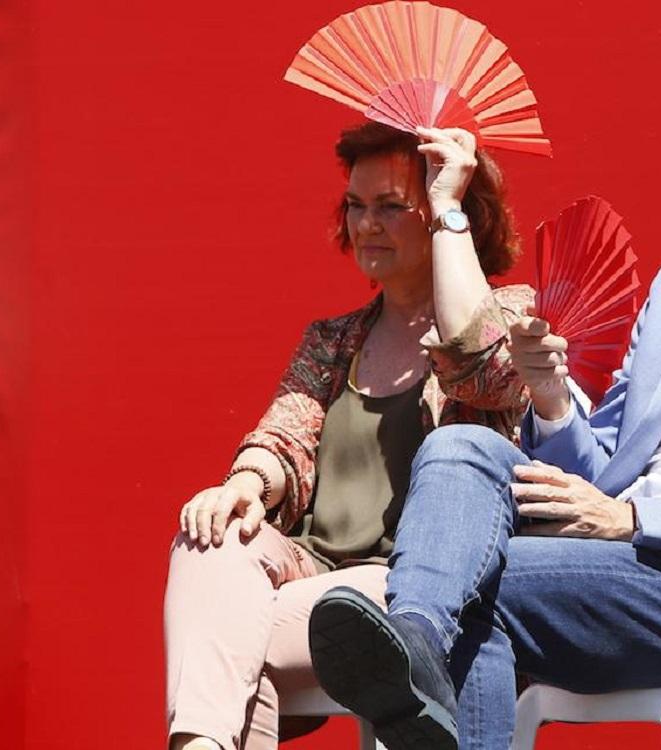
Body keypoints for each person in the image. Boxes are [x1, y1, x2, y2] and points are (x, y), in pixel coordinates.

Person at [306, 57, 661, 750]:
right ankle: (416, 642)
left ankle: (416, 645)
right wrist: (553, 403)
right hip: (604, 558)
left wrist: (637, 518)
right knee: (461, 446)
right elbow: (601, 467)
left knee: (480, 581)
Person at [164, 122, 533, 750]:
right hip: (307, 566)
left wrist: (447, 208)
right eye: (356, 206)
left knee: (229, 647)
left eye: (391, 207)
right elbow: (285, 431)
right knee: (210, 540)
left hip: (404, 584)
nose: (367, 224)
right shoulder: (332, 339)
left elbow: (485, 371)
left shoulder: (512, 312)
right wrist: (247, 484)